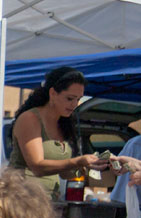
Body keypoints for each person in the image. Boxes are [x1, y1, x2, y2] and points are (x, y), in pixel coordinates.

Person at [9, 66, 108, 199]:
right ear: (52, 93)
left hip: (49, 201)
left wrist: (88, 167)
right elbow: (37, 166)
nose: (74, 104)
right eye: (70, 98)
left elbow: (64, 173)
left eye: (78, 99)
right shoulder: (30, 118)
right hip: (21, 198)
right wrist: (78, 161)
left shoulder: (62, 123)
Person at [110, 135, 141, 202]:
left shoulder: (133, 142)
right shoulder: (136, 142)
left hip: (122, 200)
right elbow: (118, 169)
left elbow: (117, 170)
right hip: (133, 202)